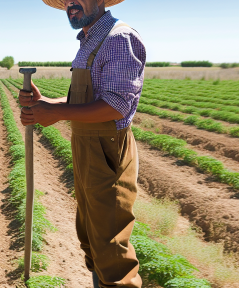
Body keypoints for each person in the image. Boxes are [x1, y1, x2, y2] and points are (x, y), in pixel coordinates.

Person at [19, 0, 146, 287]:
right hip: (87, 147)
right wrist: (46, 104)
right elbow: (89, 100)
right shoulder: (89, 39)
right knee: (91, 235)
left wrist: (57, 113)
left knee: (112, 249)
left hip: (107, 150)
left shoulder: (119, 38)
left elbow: (115, 106)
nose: (70, 3)